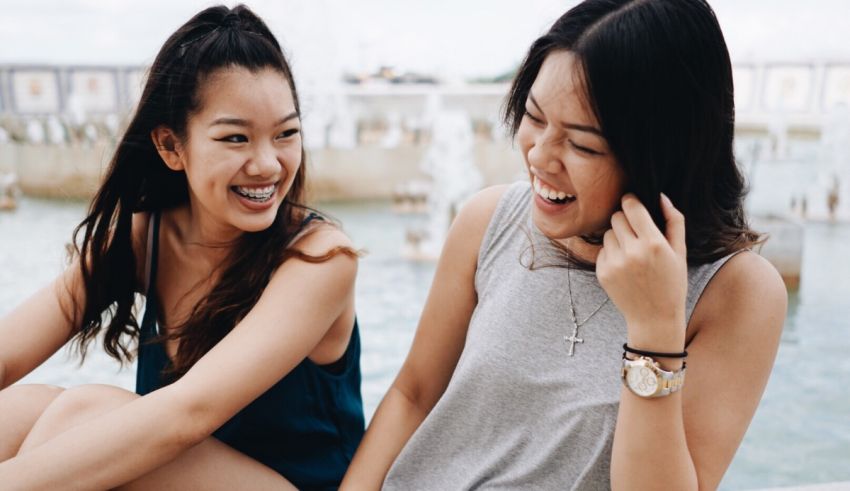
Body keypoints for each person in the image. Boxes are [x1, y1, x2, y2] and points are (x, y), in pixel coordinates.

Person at [341, 0, 786, 489]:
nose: (539, 155)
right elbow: (414, 394)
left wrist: (655, 329)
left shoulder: (737, 292)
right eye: (534, 117)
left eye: (582, 145)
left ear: (663, 153)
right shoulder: (487, 220)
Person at [0, 5, 363, 490]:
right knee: (19, 411)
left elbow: (188, 413)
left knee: (83, 412)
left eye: (286, 134)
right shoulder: (142, 239)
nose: (268, 165)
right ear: (171, 147)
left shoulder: (320, 258)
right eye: (236, 138)